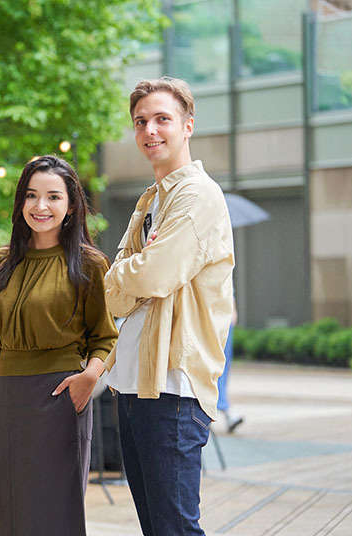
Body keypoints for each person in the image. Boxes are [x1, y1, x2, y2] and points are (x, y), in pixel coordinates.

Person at [0, 155, 118, 536]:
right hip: (7, 401)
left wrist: (88, 377)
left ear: (71, 206)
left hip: (61, 397)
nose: (41, 206)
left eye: (53, 196)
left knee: (56, 515)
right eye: (31, 196)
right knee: (12, 513)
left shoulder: (90, 264)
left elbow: (107, 337)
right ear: (21, 203)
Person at [103, 77, 234, 535]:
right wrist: (137, 268)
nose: (150, 130)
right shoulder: (152, 200)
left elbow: (152, 276)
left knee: (175, 527)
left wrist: (136, 268)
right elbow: (117, 287)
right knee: (157, 527)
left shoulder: (197, 195)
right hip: (136, 382)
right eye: (141, 122)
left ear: (188, 126)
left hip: (173, 386)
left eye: (163, 119)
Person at [218, 297, 244, 432]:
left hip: (224, 318)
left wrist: (232, 308)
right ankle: (225, 411)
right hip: (211, 317)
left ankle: (225, 410)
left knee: (222, 368)